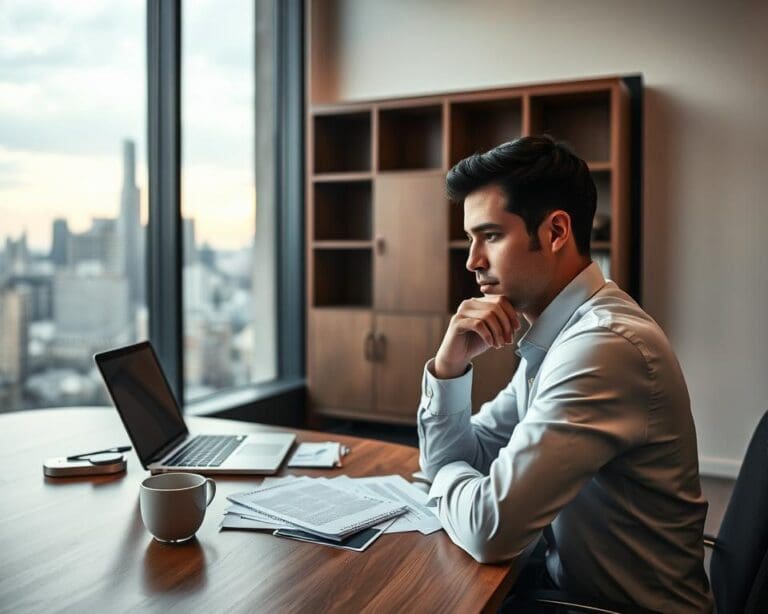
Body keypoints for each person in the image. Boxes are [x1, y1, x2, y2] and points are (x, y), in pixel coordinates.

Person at [417, 136, 713, 612]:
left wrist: (441, 475)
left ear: (556, 232)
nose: (472, 260)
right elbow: (477, 451)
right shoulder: (556, 336)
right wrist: (450, 369)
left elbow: (491, 529)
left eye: (490, 235)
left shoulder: (602, 346)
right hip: (567, 588)